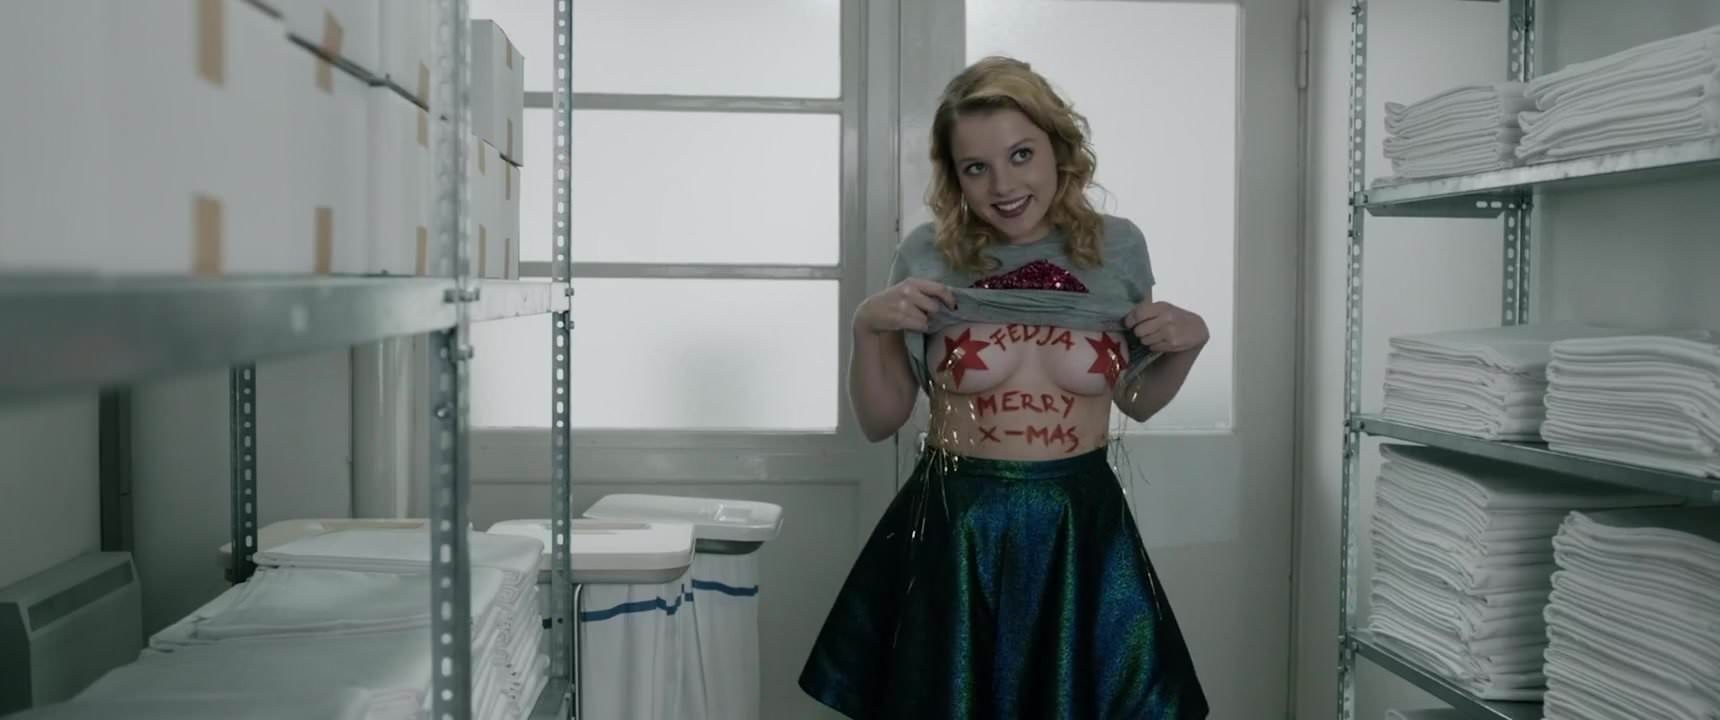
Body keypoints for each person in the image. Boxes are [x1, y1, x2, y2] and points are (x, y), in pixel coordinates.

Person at [798, 56, 1211, 719]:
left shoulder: (1117, 249)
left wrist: (1189, 343)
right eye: (976, 167)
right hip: (958, 521)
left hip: (1078, 521)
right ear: (954, 176)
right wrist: (866, 327)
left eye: (1022, 155)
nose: (1004, 185)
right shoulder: (928, 253)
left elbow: (1135, 398)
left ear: (1059, 149)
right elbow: (882, 419)